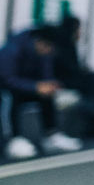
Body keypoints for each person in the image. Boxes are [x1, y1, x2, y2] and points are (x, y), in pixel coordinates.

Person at [0, 25, 83, 159]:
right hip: (7, 90)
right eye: (49, 48)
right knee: (9, 97)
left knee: (47, 94)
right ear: (39, 42)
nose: (50, 52)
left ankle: (51, 136)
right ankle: (12, 140)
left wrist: (51, 86)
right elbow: (6, 80)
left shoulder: (44, 53)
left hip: (25, 87)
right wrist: (35, 87)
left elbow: (46, 75)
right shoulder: (12, 50)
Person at [52, 15, 94, 138]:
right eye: (78, 28)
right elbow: (67, 69)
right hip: (62, 82)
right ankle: (93, 124)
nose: (80, 32)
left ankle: (92, 123)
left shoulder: (68, 44)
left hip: (68, 81)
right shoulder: (63, 45)